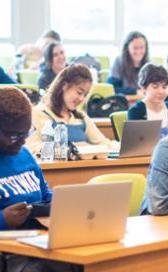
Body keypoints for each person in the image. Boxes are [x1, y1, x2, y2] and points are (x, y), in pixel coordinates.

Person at [0, 86, 81, 271]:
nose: (22, 141)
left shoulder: (24, 155)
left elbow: (44, 195)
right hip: (9, 253)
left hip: (37, 242)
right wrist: (3, 218)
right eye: (14, 135)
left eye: (26, 133)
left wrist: (64, 200)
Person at [27, 64, 115, 155]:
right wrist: (68, 149)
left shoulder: (80, 117)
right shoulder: (38, 113)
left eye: (85, 95)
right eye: (79, 92)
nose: (81, 99)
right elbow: (32, 147)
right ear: (64, 85)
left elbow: (104, 143)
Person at [127, 63, 168, 137]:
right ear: (143, 87)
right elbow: (135, 143)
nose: (161, 91)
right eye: (155, 87)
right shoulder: (136, 111)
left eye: (164, 87)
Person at [107, 31, 149, 95]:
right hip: (123, 102)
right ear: (127, 48)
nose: (138, 51)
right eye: (135, 48)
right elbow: (112, 88)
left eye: (142, 47)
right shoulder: (118, 62)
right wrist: (135, 91)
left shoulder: (149, 65)